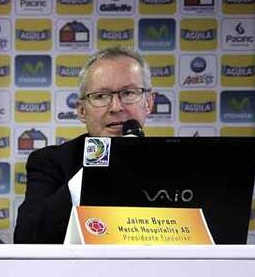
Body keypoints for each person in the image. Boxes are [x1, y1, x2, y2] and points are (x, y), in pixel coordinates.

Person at [14, 47, 155, 244]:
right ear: (81, 111)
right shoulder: (50, 163)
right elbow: (27, 239)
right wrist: (96, 169)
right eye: (101, 96)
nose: (116, 107)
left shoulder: (177, 163)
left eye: (129, 93)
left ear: (149, 102)